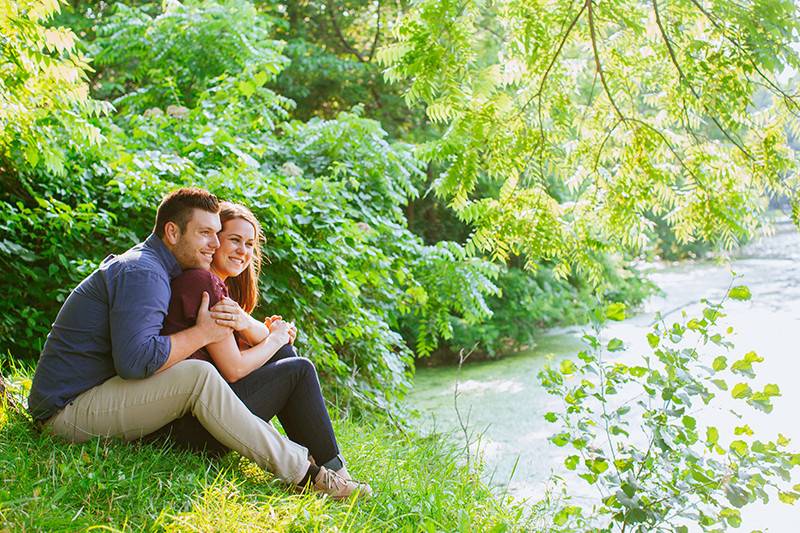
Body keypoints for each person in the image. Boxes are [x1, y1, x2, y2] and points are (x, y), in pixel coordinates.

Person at [27, 188, 368, 499]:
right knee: (197, 374)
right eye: (206, 234)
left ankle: (324, 469)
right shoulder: (144, 272)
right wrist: (203, 334)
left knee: (224, 368)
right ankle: (308, 474)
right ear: (173, 232)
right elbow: (135, 361)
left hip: (97, 397)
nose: (214, 244)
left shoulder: (156, 270)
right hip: (66, 411)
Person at [157, 201, 363, 486]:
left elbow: (261, 349)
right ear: (215, 240)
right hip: (189, 433)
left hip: (201, 420)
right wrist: (276, 336)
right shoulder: (202, 282)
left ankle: (323, 464)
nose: (243, 251)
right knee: (298, 369)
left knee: (286, 354)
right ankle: (335, 473)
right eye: (234, 240)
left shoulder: (212, 284)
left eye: (250, 244)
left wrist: (255, 328)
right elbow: (234, 370)